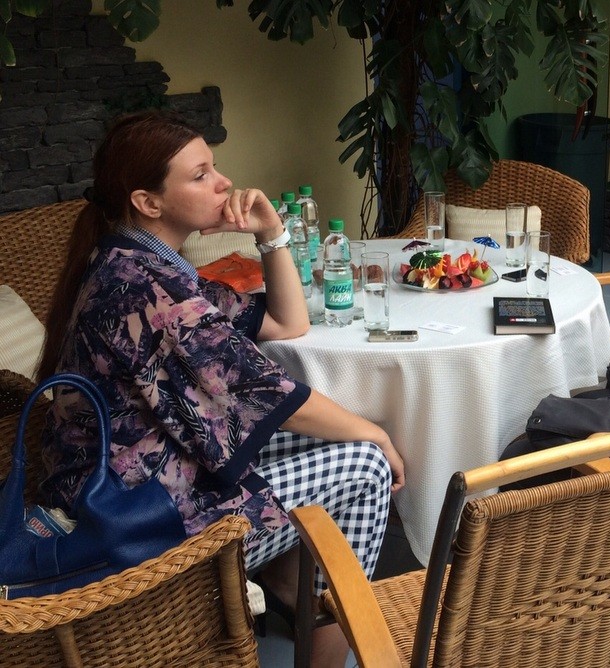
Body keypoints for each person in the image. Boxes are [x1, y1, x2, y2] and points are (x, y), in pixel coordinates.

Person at [37, 111, 405, 667]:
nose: (224, 182)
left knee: (335, 437)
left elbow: (287, 323)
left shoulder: (141, 262)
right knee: (367, 464)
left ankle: (287, 580)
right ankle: (315, 633)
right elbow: (270, 395)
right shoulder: (146, 289)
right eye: (200, 174)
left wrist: (270, 232)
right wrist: (376, 433)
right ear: (148, 202)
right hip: (139, 523)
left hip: (142, 477)